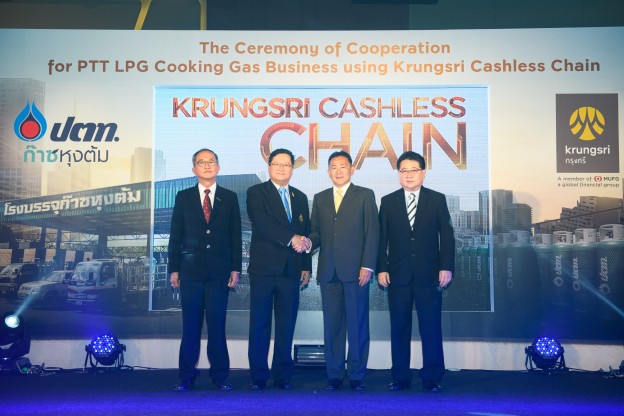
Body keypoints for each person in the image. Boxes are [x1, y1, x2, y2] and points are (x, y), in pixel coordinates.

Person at [377, 151, 455, 393]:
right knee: (399, 328)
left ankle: (432, 377)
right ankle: (400, 377)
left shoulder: (437, 199)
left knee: (431, 328)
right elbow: (381, 240)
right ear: (398, 174)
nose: (408, 175)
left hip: (429, 275)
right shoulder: (388, 202)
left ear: (423, 173)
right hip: (397, 275)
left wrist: (446, 266)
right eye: (404, 171)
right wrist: (382, 268)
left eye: (413, 170)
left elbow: (447, 236)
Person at [168, 148, 242, 391]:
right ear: (194, 169)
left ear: (218, 167)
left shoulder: (230, 197)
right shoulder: (183, 197)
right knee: (190, 327)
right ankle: (185, 377)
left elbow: (235, 235)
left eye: (211, 162)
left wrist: (235, 268)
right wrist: (174, 269)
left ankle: (220, 377)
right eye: (202, 162)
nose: (207, 165)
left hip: (220, 273)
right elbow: (175, 235)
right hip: (190, 273)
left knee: (217, 327)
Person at [307, 151, 379, 391]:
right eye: (334, 167)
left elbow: (372, 232)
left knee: (357, 325)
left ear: (351, 170)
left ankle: (356, 375)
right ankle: (334, 375)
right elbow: (316, 232)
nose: (338, 171)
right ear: (328, 171)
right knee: (332, 326)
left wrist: (367, 265)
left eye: (343, 166)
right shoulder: (320, 198)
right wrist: (308, 242)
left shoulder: (365, 195)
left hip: (357, 271)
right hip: (328, 272)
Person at [246, 148, 311, 390]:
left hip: (291, 271)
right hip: (263, 270)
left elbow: (305, 232)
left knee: (286, 325)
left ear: (292, 169)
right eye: (277, 164)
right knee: (259, 325)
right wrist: (292, 238)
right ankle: (258, 376)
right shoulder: (256, 192)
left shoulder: (300, 197)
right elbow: (262, 222)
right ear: (269, 166)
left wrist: (305, 266)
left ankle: (282, 375)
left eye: (287, 165)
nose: (282, 168)